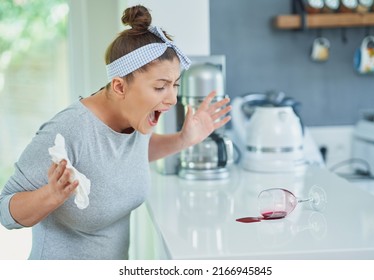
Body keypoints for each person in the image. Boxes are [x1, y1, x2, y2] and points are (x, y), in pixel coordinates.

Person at [0, 5, 231, 260]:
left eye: (175, 85)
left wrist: (184, 140)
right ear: (120, 86)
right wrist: (50, 195)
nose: (173, 99)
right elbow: (5, 211)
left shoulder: (137, 118)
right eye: (160, 87)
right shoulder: (68, 131)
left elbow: (127, 157)